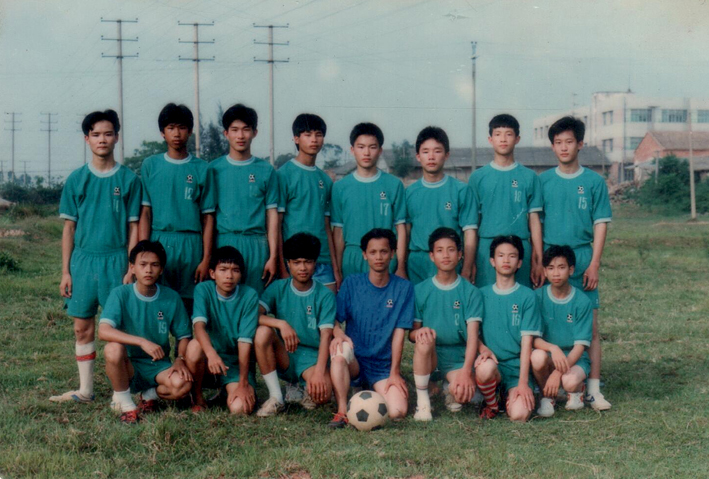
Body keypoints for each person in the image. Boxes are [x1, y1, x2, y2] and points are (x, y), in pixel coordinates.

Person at [50, 110, 141, 404]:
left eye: (108, 134)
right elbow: (69, 228)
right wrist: (66, 271)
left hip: (116, 260)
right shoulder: (77, 179)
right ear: (87, 139)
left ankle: (123, 391)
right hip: (83, 261)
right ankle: (86, 390)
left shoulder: (129, 179)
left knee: (119, 328)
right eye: (96, 134)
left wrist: (131, 266)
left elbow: (134, 227)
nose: (102, 140)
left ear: (117, 137)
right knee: (82, 327)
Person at [540, 116, 612, 410]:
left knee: (590, 327)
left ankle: (593, 388)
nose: (564, 147)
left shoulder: (594, 181)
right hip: (550, 259)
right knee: (547, 324)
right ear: (552, 146)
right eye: (558, 142)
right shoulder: (543, 181)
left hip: (581, 257)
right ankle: (546, 386)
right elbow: (536, 223)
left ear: (580, 144)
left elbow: (600, 223)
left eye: (569, 141)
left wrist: (594, 263)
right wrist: (538, 260)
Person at [98, 241, 193, 423]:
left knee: (183, 385)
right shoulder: (120, 294)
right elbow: (103, 331)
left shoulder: (171, 297)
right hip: (128, 364)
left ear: (161, 269)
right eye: (143, 264)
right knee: (112, 349)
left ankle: (149, 395)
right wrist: (142, 341)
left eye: (154, 265)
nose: (148, 270)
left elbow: (184, 336)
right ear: (132, 268)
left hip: (158, 364)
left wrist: (180, 358)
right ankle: (124, 402)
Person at [329, 228, 414, 428]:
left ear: (392, 253)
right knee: (339, 351)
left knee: (397, 411)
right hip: (355, 361)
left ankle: (370, 388)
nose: (378, 257)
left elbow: (399, 334)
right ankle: (342, 411)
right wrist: (339, 333)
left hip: (382, 366)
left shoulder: (404, 288)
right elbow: (334, 319)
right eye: (373, 252)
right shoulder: (352, 283)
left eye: (384, 252)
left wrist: (395, 372)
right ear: (364, 254)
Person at [139, 103, 215, 312]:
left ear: (190, 131)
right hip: (159, 240)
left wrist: (206, 259)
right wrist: (143, 252)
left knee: (190, 305)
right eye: (171, 128)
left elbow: (208, 218)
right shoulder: (151, 165)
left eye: (182, 127)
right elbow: (145, 213)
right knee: (157, 303)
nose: (176, 133)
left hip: (191, 244)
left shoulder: (202, 168)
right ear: (162, 132)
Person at [254, 233, 335, 418]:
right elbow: (254, 315)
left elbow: (326, 336)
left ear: (315, 263)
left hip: (311, 358)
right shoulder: (278, 288)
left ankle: (299, 387)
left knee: (322, 395)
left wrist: (320, 372)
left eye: (308, 262)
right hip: (286, 353)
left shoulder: (325, 295)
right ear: (288, 264)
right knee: (262, 333)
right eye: (297, 262)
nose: (303, 268)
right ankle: (276, 397)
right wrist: (280, 323)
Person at [410, 228, 483, 421]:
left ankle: (447, 386)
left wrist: (466, 372)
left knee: (463, 396)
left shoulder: (470, 292)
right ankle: (423, 401)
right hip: (432, 354)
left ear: (460, 255)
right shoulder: (420, 290)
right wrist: (420, 332)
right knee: (424, 340)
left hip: (457, 357)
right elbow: (412, 334)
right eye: (440, 250)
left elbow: (472, 337)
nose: (445, 255)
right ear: (431, 256)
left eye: (451, 250)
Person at [208, 103, 278, 295]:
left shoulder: (266, 170)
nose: (240, 136)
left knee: (255, 302)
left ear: (254, 133)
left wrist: (272, 256)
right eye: (235, 130)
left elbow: (272, 216)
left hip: (257, 244)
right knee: (225, 304)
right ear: (226, 133)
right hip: (225, 242)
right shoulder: (213, 169)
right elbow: (208, 216)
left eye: (246, 129)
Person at [469, 114, 543, 288]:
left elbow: (534, 221)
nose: (503, 139)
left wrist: (538, 259)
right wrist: (470, 261)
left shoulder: (529, 177)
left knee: (520, 298)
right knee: (486, 298)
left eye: (508, 134)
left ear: (517, 139)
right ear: (490, 139)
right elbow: (473, 223)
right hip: (487, 248)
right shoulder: (478, 177)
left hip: (519, 247)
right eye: (498, 134)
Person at [184, 246, 259, 415]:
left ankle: (227, 390)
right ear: (212, 273)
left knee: (240, 409)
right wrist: (211, 354)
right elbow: (199, 327)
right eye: (223, 270)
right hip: (208, 360)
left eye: (235, 270)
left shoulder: (249, 295)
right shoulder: (203, 289)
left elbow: (245, 341)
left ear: (241, 274)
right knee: (194, 346)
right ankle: (198, 398)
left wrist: (243, 383)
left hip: (234, 364)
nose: (229, 276)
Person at [475, 235, 541, 422]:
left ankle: (509, 394)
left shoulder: (527, 296)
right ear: (492, 261)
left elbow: (527, 342)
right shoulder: (481, 294)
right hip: (492, 364)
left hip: (516, 368)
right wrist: (483, 348)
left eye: (512, 256)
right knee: (484, 369)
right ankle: (492, 402)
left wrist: (522, 383)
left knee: (520, 415)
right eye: (501, 255)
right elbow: (471, 334)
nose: (506, 260)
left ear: (519, 263)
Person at [331, 123, 407, 282]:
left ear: (380, 150)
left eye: (372, 147)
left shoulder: (394, 185)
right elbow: (338, 232)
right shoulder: (340, 187)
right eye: (361, 147)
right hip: (352, 258)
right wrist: (337, 269)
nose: (366, 153)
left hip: (384, 257)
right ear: (352, 150)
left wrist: (400, 266)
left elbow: (400, 229)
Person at [405, 127, 478, 284]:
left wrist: (467, 268)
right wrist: (401, 267)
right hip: (417, 262)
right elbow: (406, 232)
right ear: (418, 156)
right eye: (425, 151)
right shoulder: (409, 192)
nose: (431, 157)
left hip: (450, 261)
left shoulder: (461, 190)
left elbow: (470, 233)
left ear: (446, 155)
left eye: (437, 151)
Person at [277, 113, 338, 291]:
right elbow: (277, 225)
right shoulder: (283, 175)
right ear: (296, 138)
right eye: (308, 134)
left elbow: (327, 226)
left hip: (322, 261)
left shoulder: (325, 180)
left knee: (327, 307)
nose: (314, 140)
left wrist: (335, 268)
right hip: (295, 262)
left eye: (318, 135)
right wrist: (282, 265)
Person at [531, 245, 593, 417]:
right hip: (550, 355)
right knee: (537, 357)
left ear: (571, 270)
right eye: (551, 268)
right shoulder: (537, 297)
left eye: (561, 267)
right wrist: (553, 348)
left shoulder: (582, 301)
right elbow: (533, 338)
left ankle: (577, 390)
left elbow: (580, 346)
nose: (556, 273)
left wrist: (558, 373)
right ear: (544, 271)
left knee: (569, 381)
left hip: (574, 357)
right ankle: (547, 395)